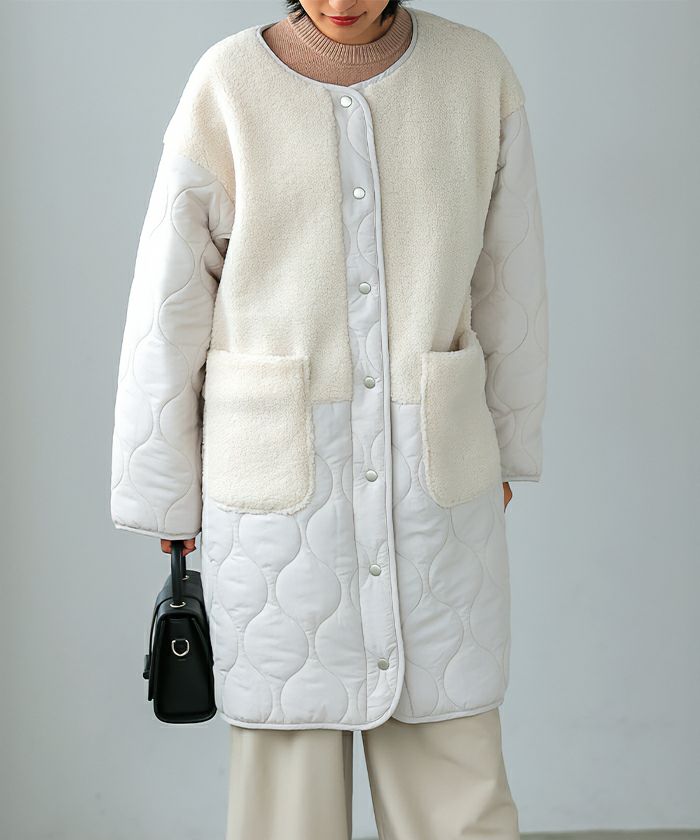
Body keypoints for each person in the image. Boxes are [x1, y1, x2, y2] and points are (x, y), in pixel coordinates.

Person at [110, 1, 548, 837]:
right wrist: (165, 494)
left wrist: (505, 446)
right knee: (288, 796)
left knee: (455, 769)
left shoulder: (477, 74)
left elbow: (510, 278)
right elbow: (169, 303)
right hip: (276, 490)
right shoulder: (227, 84)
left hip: (433, 476)